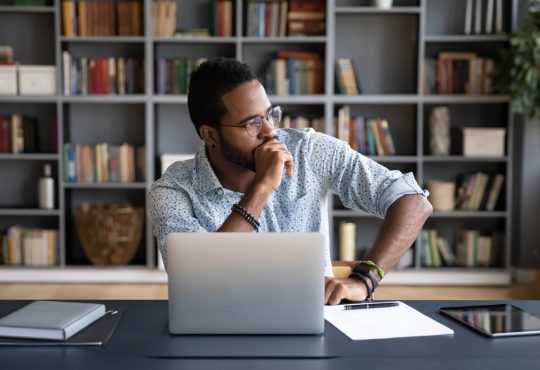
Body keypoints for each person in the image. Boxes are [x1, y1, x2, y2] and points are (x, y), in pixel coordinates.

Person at [148, 57, 432, 305]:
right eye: (251, 123)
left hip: (318, 317)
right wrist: (263, 187)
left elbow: (414, 201)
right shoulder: (173, 192)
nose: (271, 131)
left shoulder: (308, 150)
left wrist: (366, 278)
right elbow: (197, 282)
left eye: (270, 114)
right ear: (209, 135)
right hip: (225, 329)